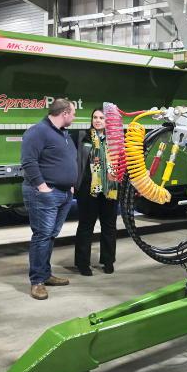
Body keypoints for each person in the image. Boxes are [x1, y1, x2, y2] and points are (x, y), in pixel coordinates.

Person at [20, 98, 78, 300]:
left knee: (50, 235)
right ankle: (37, 282)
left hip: (63, 193)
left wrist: (69, 184)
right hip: (45, 194)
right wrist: (43, 187)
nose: (74, 116)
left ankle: (45, 274)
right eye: (73, 113)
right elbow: (28, 162)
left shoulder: (62, 133)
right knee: (42, 236)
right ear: (64, 113)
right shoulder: (38, 131)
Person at [74, 108, 119, 276]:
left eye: (102, 118)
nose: (98, 120)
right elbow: (76, 161)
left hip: (110, 189)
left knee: (109, 226)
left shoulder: (115, 140)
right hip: (87, 189)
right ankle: (82, 263)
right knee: (86, 226)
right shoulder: (82, 137)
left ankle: (108, 261)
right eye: (95, 117)